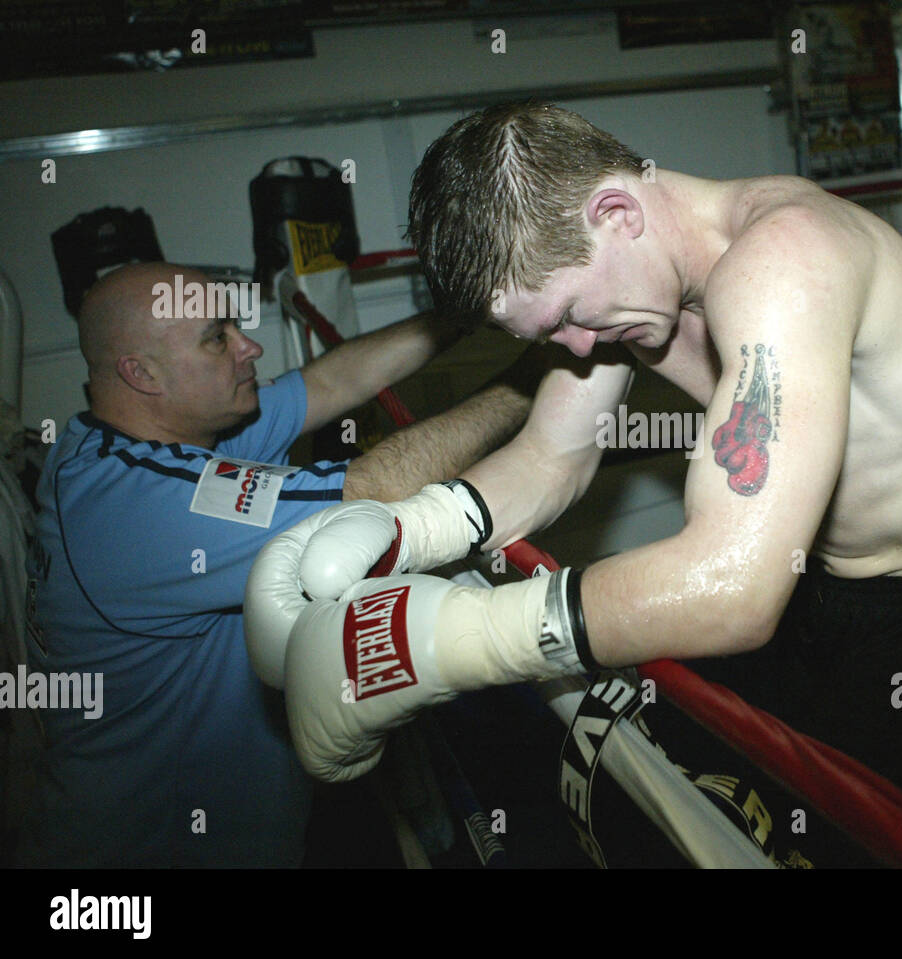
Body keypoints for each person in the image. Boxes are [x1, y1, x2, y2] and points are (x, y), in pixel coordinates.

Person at [248, 102, 902, 830]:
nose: (579, 349)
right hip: (810, 592)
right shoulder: (622, 294)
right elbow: (551, 456)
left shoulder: (786, 263)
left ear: (617, 214)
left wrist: (455, 640)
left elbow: (733, 586)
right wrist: (407, 530)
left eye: (568, 317)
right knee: (756, 827)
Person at [14, 261, 539, 866]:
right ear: (141, 373)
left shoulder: (139, 439)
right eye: (218, 338)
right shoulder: (131, 508)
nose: (250, 346)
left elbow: (332, 384)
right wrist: (531, 383)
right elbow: (371, 491)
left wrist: (472, 313)